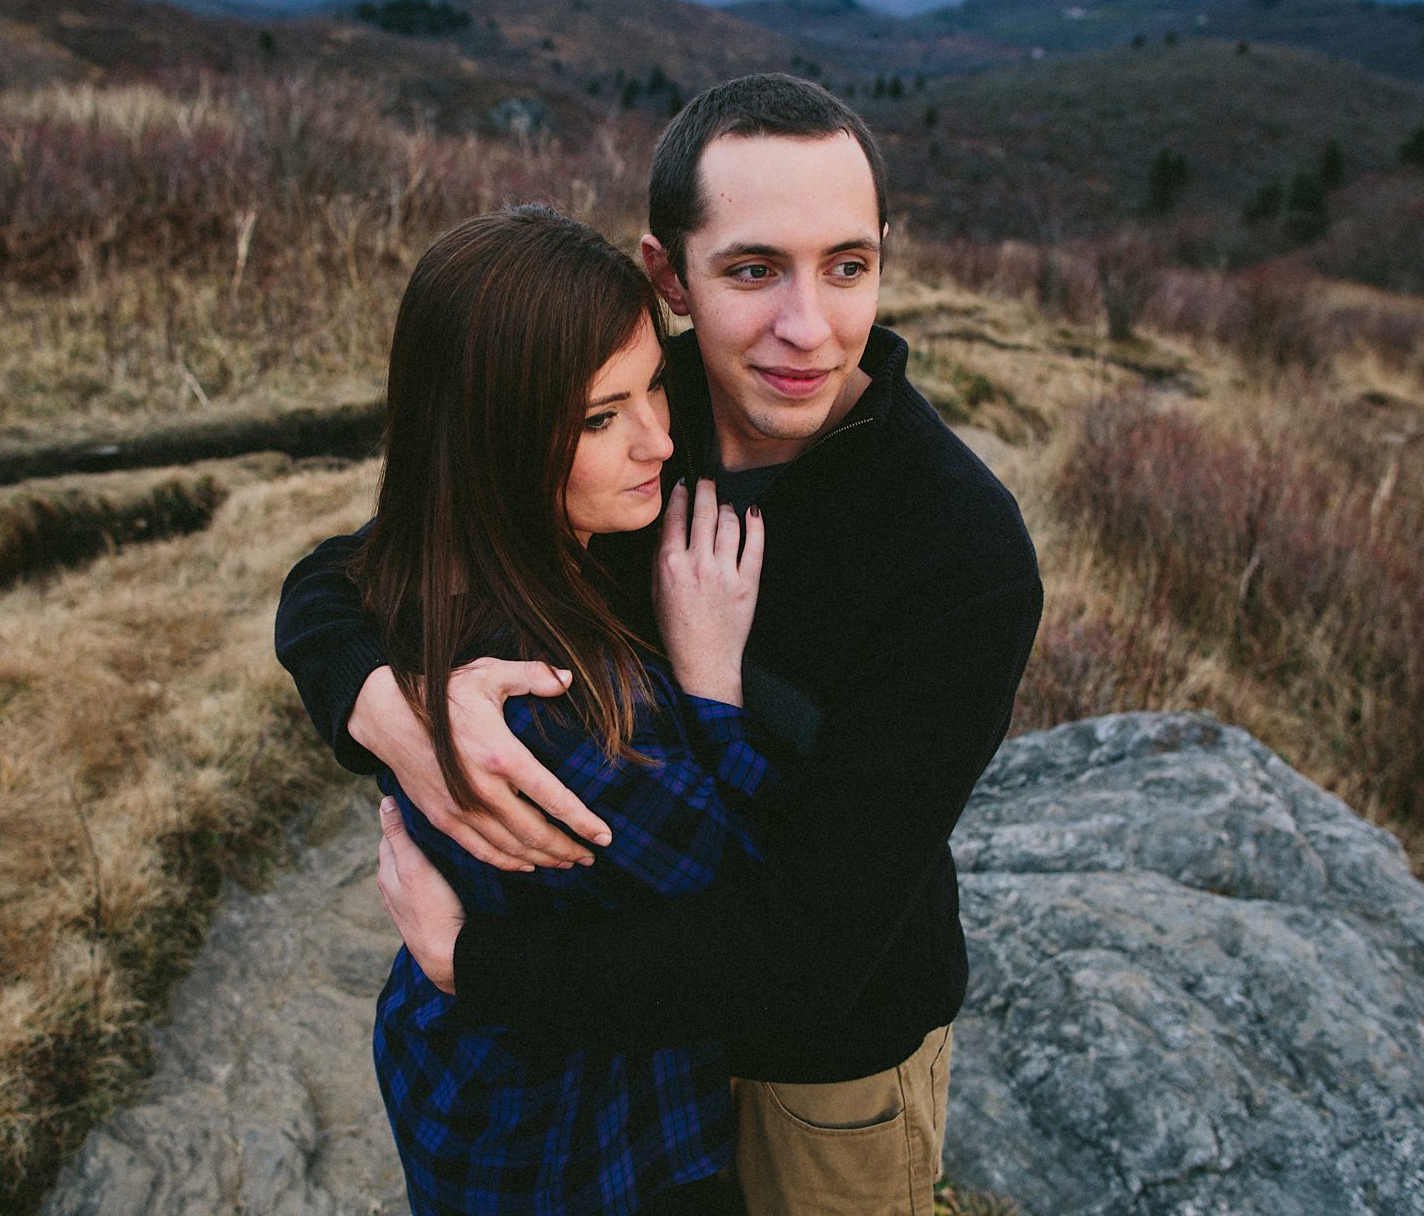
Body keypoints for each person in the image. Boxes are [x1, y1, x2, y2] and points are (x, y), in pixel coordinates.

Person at [278, 75, 1043, 1216]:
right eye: (750, 269)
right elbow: (346, 575)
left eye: (847, 265)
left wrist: (478, 969)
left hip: (816, 1071)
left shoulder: (958, 552)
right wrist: (395, 708)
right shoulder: (628, 403)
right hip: (605, 1069)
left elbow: (812, 945)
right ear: (665, 273)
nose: (808, 326)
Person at [319, 203, 774, 1215]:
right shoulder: (543, 701)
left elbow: (326, 582)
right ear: (495, 436)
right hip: (576, 1140)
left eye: (655, 384)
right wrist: (710, 679)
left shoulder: (431, 564)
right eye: (600, 417)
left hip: (467, 1077)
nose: (659, 439)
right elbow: (748, 893)